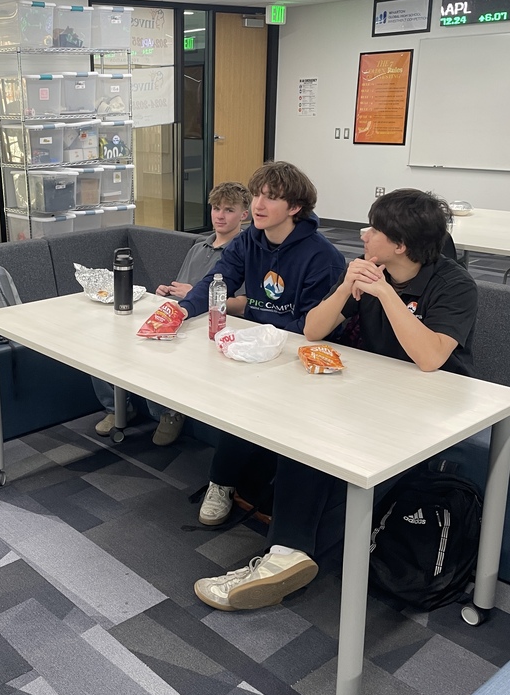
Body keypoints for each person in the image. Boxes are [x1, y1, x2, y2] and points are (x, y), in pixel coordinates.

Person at [194, 188, 478, 611]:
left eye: (375, 229)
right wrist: (346, 287)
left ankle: (286, 557)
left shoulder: (454, 284)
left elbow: (432, 357)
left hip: (430, 409)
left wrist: (385, 294)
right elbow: (312, 330)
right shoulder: (365, 271)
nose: (364, 234)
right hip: (370, 393)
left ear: (400, 245)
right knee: (299, 436)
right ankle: (286, 556)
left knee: (360, 472)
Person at [177, 161, 346, 525]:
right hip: (254, 346)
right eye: (256, 195)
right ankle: (222, 483)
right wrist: (181, 312)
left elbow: (310, 327)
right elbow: (216, 280)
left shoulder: (323, 257)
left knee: (250, 405)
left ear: (295, 208)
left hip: (297, 354)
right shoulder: (248, 240)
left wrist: (259, 324)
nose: (258, 205)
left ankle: (231, 485)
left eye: (271, 198)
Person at [93, 181, 251, 445]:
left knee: (152, 352)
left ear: (243, 214)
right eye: (215, 208)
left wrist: (197, 294)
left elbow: (244, 304)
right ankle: (117, 407)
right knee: (107, 342)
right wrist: (167, 291)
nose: (220, 215)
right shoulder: (198, 247)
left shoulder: (243, 252)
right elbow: (183, 287)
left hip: (209, 325)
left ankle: (169, 411)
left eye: (229, 210)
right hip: (181, 314)